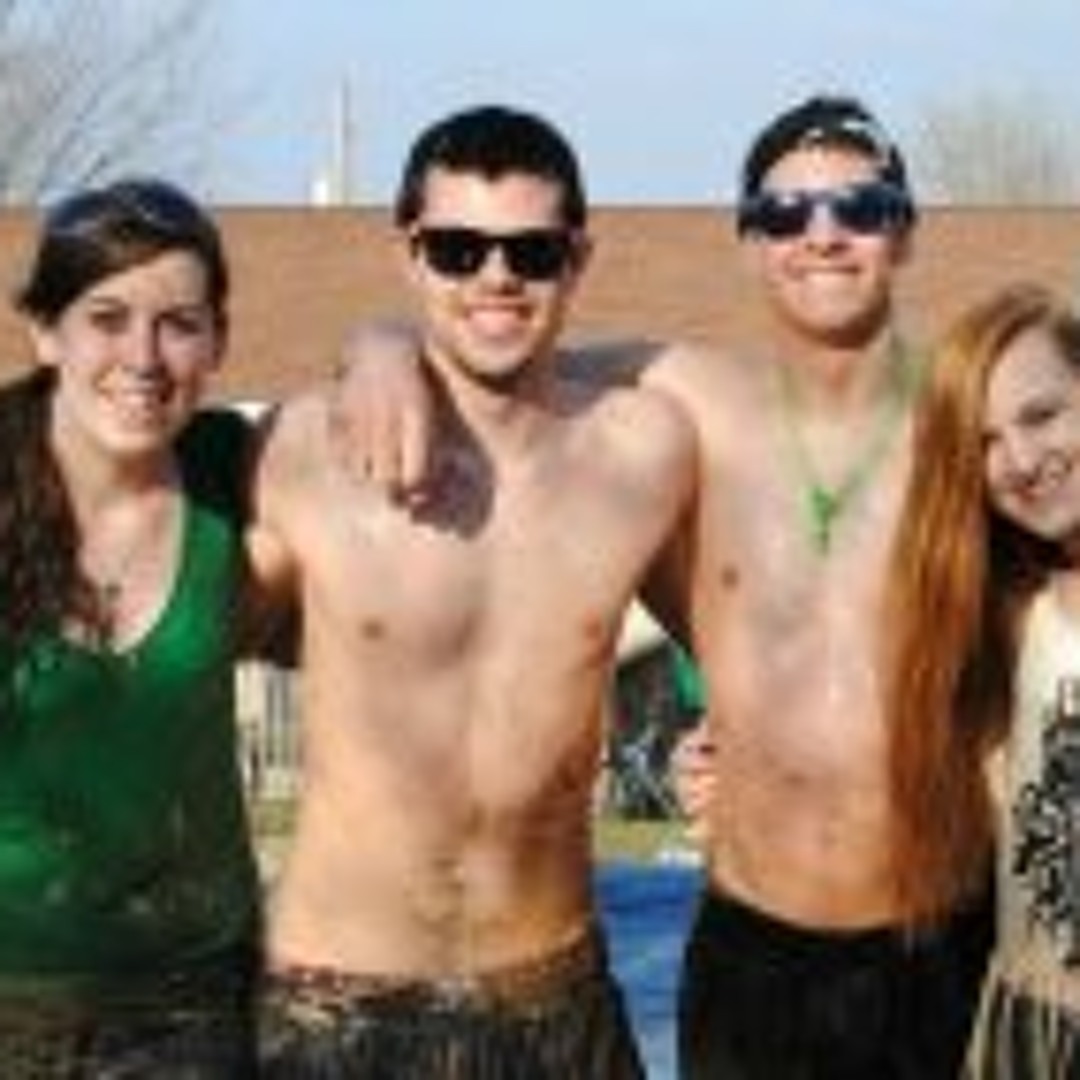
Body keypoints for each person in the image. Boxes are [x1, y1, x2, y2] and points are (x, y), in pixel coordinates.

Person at [336, 92, 995, 1078]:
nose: (822, 235)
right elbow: (497, 349)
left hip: (941, 940)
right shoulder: (693, 402)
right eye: (785, 213)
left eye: (858, 208)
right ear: (750, 241)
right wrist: (381, 345)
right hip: (755, 953)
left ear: (903, 232)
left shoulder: (971, 419)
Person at [249, 104, 698, 1077]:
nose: (496, 277)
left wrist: (726, 741)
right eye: (457, 250)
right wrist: (373, 342)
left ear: (577, 260)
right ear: (409, 253)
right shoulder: (302, 450)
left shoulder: (644, 455)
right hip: (337, 1007)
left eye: (532, 252)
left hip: (554, 1000)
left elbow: (739, 634)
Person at [0, 178, 276, 1075]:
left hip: (195, 1011)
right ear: (44, 331)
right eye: (107, 319)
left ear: (219, 340)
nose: (144, 356)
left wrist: (383, 346)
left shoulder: (235, 472)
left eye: (179, 324)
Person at [884, 282, 1080, 1078]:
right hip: (1025, 1034)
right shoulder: (998, 617)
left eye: (1042, 415)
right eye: (985, 442)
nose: (1022, 462)